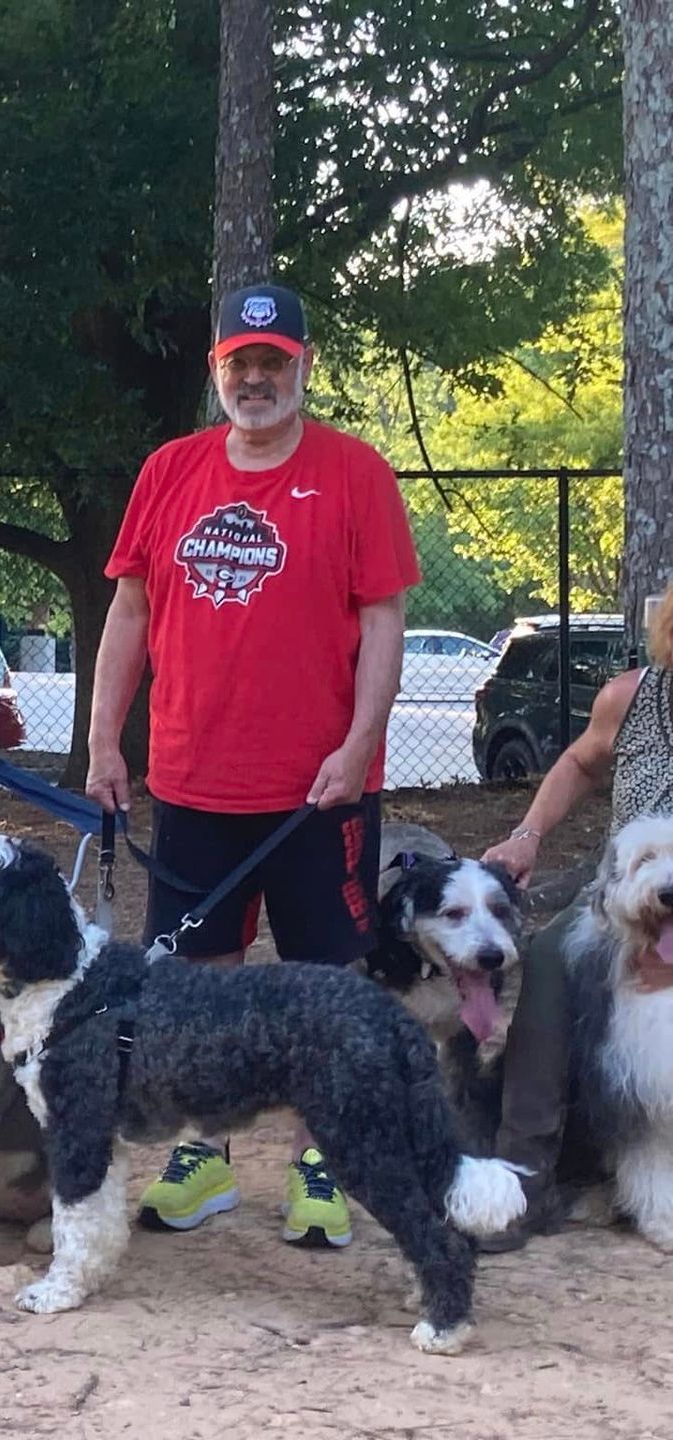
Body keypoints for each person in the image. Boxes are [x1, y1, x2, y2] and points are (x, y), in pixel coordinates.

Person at [86, 281, 420, 1249]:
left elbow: (383, 619)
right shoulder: (170, 470)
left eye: (276, 361)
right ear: (217, 372)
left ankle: (324, 1163)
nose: (259, 378)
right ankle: (206, 1158)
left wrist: (360, 743)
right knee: (198, 985)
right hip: (194, 780)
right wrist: (108, 738)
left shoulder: (357, 474)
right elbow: (132, 612)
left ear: (304, 367)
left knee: (330, 984)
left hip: (320, 789)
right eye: (242, 363)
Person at [474, 584, 673, 1247]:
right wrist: (527, 835)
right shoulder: (630, 696)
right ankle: (521, 1179)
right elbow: (580, 762)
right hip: (624, 889)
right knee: (550, 958)